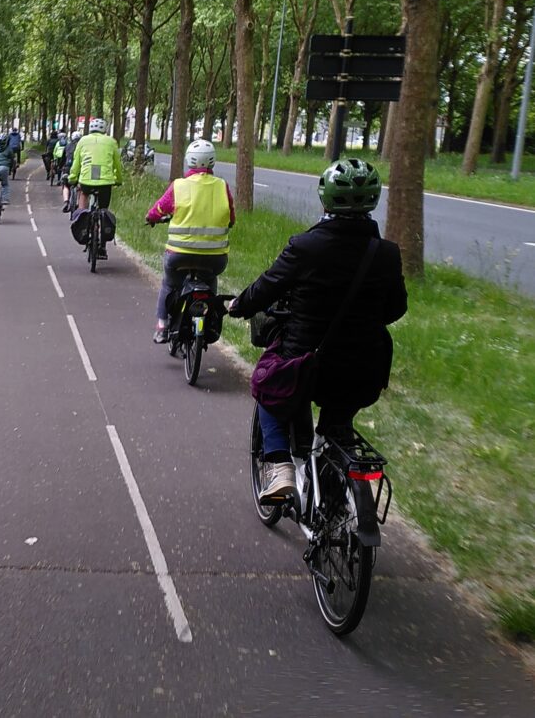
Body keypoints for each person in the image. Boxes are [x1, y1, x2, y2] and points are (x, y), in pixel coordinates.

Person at [227, 158, 407, 503]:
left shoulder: (306, 246)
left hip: (308, 365)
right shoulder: (386, 253)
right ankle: (336, 493)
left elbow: (267, 287)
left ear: (325, 198)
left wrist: (239, 305)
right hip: (364, 369)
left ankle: (279, 466)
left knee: (268, 384)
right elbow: (396, 308)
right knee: (338, 422)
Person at [145, 140, 235, 344]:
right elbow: (231, 217)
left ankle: (162, 326)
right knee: (210, 280)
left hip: (179, 255)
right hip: (215, 257)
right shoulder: (222, 186)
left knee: (169, 283)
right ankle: (209, 318)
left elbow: (159, 209)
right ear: (213, 161)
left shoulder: (179, 186)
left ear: (189, 160)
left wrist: (151, 218)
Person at [68, 119, 124, 259]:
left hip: (86, 180)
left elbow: (77, 162)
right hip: (105, 182)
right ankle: (102, 246)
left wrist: (73, 177)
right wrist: (118, 179)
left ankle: (82, 218)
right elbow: (117, 164)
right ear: (104, 130)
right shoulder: (111, 142)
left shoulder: (82, 141)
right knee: (103, 209)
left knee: (83, 194)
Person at [60, 131, 81, 210]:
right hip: (79, 168)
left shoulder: (67, 146)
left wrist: (60, 166)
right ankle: (78, 203)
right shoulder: (82, 146)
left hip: (68, 168)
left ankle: (66, 201)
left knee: (66, 185)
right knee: (80, 186)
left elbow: (63, 159)